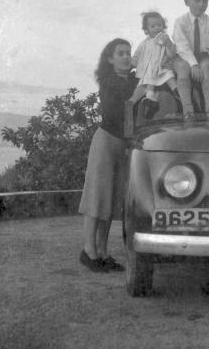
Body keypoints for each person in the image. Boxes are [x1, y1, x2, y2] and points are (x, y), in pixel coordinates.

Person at [78, 38, 137, 272]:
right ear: (110, 58)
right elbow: (115, 113)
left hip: (124, 145)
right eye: (120, 53)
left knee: (112, 200)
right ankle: (89, 251)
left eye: (128, 52)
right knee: (97, 197)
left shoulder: (134, 80)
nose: (125, 56)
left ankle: (102, 252)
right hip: (106, 142)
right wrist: (137, 95)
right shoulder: (109, 82)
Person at [129, 11, 178, 118]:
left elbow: (171, 53)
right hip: (148, 70)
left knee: (169, 76)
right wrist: (131, 64)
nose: (157, 28)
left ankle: (176, 91)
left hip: (161, 68)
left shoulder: (164, 38)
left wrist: (168, 44)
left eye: (159, 25)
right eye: (153, 26)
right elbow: (137, 57)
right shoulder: (144, 44)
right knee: (142, 86)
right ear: (146, 30)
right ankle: (134, 102)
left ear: (163, 26)